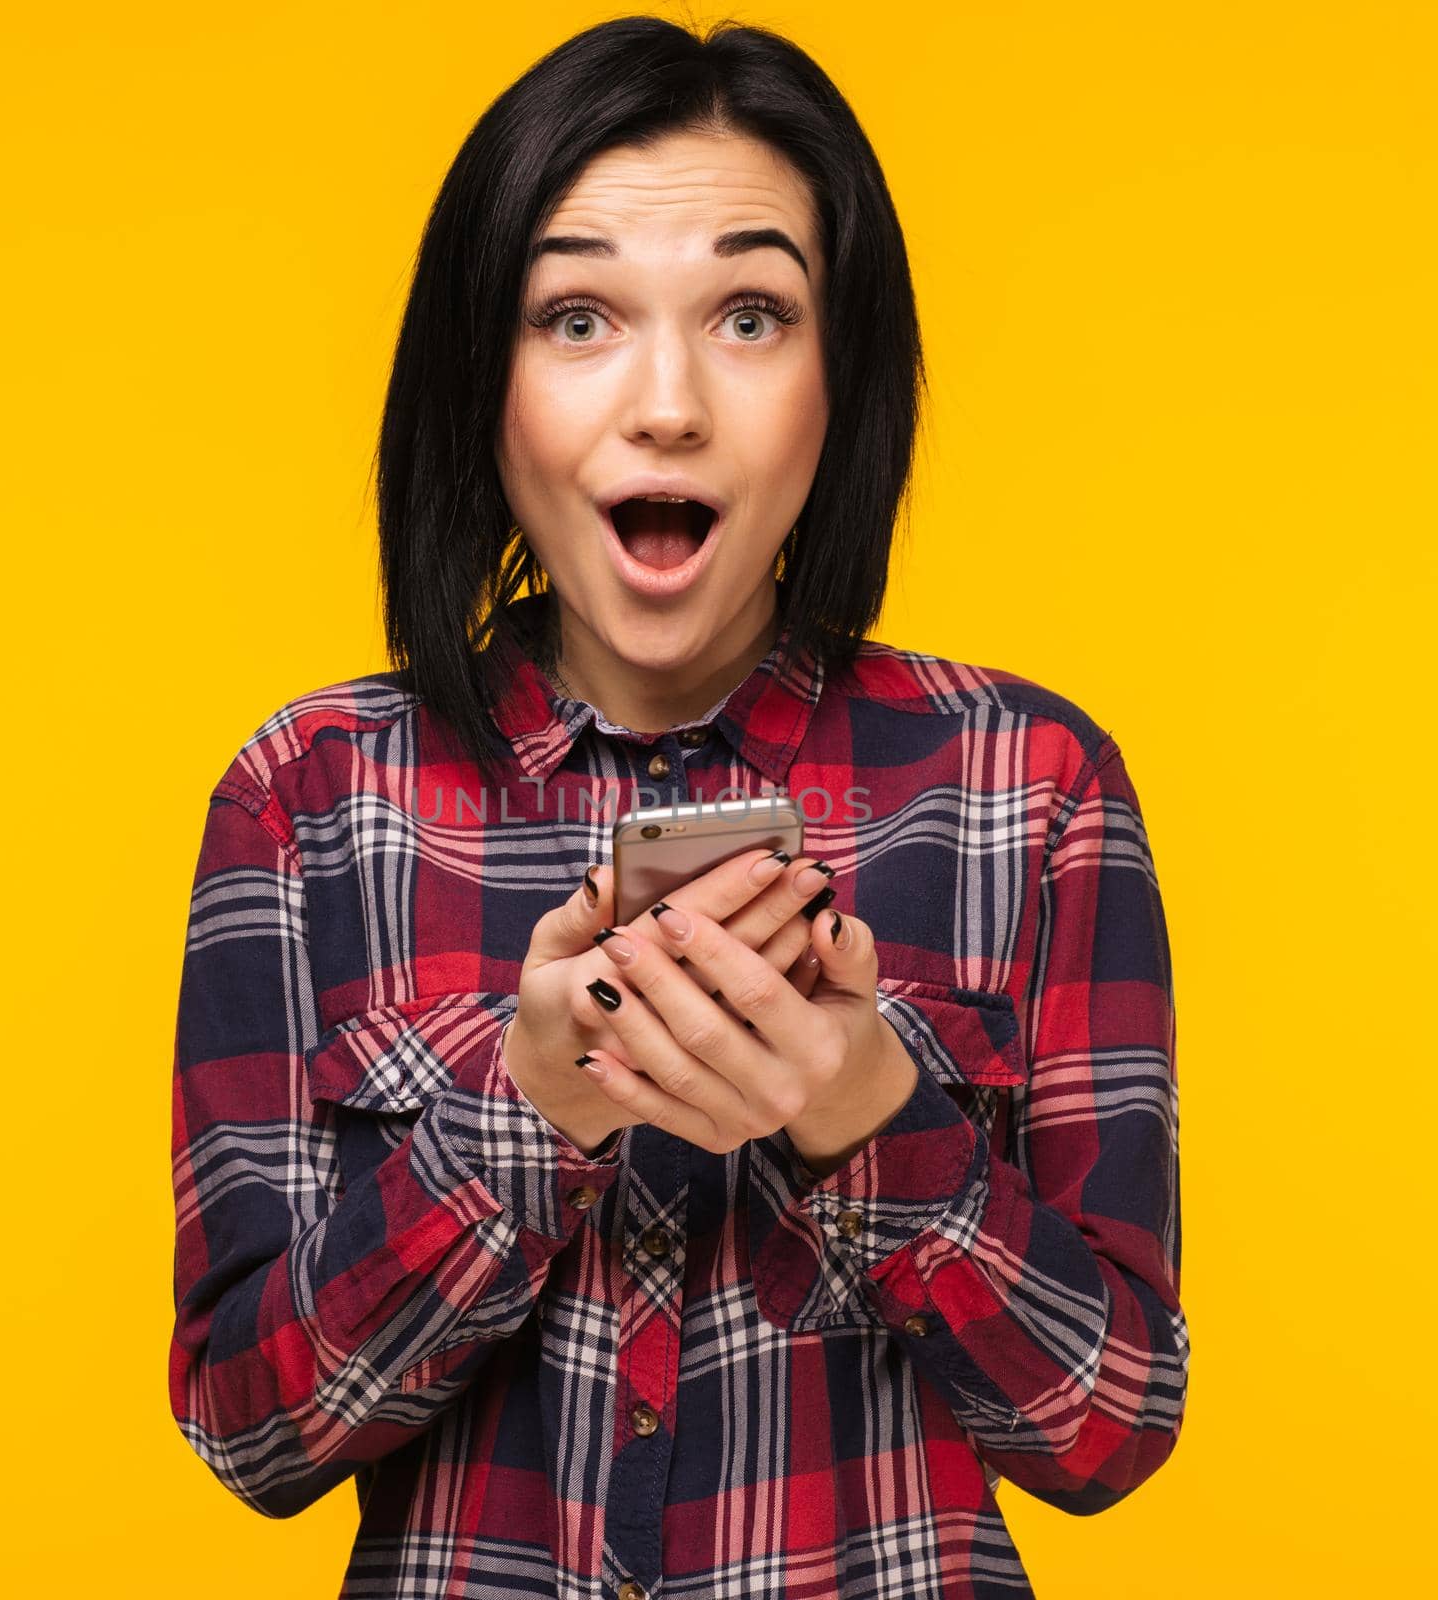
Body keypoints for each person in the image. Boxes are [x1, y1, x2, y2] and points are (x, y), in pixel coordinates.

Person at [167, 15, 1187, 1598]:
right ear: (481, 386)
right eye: (577, 315)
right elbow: (254, 1433)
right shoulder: (309, 800)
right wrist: (526, 1119)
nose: (667, 405)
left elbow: (1110, 1430)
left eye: (751, 315)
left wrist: (870, 1118)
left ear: (843, 382)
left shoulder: (1028, 789)